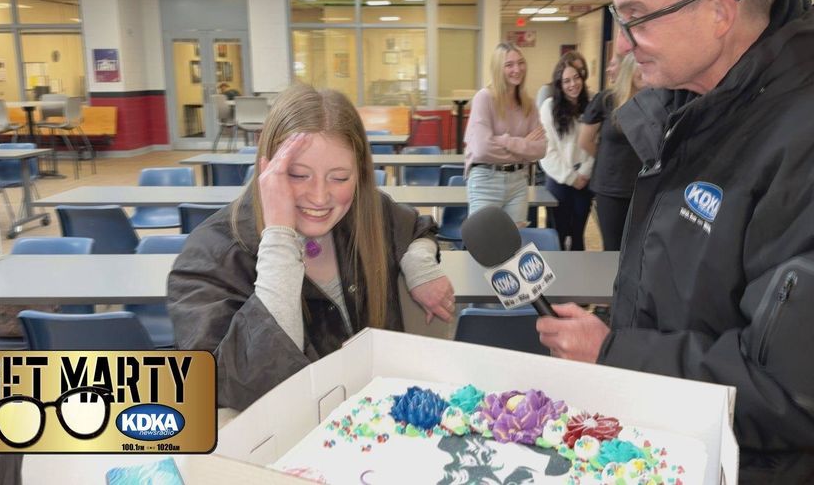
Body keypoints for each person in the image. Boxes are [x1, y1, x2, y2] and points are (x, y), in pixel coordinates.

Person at [536, 0, 814, 483]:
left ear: (719, 12)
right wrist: (618, 334)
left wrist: (615, 353)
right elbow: (700, 296)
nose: (623, 46)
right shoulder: (703, 111)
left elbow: (796, 392)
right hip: (684, 451)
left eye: (636, 18)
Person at [168, 84, 456, 410]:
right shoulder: (211, 253)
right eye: (298, 175)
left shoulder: (365, 209)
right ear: (267, 168)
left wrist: (420, 264)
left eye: (339, 177)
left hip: (375, 423)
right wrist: (280, 236)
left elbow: (416, 228)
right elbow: (234, 388)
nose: (320, 198)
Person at [464, 42, 547, 226]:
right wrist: (523, 146)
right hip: (486, 180)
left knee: (514, 247)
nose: (517, 69)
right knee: (483, 245)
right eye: (509, 65)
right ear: (497, 69)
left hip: (518, 182)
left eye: (520, 62)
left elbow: (541, 149)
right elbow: (482, 150)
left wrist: (504, 141)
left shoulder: (528, 104)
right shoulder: (484, 98)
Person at [577, 53, 643, 251]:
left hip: (643, 187)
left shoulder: (655, 101)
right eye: (640, 65)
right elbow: (585, 140)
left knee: (638, 248)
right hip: (610, 188)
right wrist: (608, 159)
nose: (644, 71)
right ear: (630, 69)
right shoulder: (607, 100)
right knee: (614, 248)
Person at [538, 53, 594, 250]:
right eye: (566, 81)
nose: (572, 84)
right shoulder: (549, 107)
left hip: (584, 181)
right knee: (557, 237)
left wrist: (584, 174)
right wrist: (571, 178)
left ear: (583, 78)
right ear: (559, 84)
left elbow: (597, 144)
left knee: (578, 236)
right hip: (558, 180)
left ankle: (578, 279)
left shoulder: (592, 105)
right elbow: (547, 151)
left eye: (576, 78)